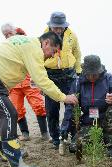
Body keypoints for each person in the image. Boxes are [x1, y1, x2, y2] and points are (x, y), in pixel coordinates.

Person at [0, 31, 78, 167]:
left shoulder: (24, 41)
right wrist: (64, 97)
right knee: (9, 116)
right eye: (53, 51)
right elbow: (42, 80)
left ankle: (5, 151)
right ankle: (17, 164)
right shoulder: (35, 49)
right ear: (45, 43)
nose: (53, 55)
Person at [61, 55, 112, 160]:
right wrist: (64, 128)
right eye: (88, 74)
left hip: (106, 121)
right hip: (89, 123)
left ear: (100, 70)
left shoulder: (111, 80)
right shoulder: (78, 83)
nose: (91, 77)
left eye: (94, 74)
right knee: (74, 147)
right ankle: (103, 138)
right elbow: (70, 107)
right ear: (84, 71)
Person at [1, 23, 50, 141]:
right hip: (14, 83)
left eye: (10, 33)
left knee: (38, 105)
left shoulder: (25, 40)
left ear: (15, 31)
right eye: (5, 35)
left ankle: (44, 133)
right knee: (16, 109)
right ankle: (25, 133)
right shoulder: (5, 46)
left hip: (29, 80)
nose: (8, 36)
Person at [44, 11, 82, 149]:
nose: (58, 29)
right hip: (51, 75)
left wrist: (78, 72)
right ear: (50, 26)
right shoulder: (44, 37)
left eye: (61, 27)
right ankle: (55, 137)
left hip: (69, 74)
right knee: (51, 109)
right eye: (55, 27)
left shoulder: (72, 36)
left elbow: (77, 54)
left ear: (65, 25)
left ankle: (71, 135)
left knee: (71, 106)